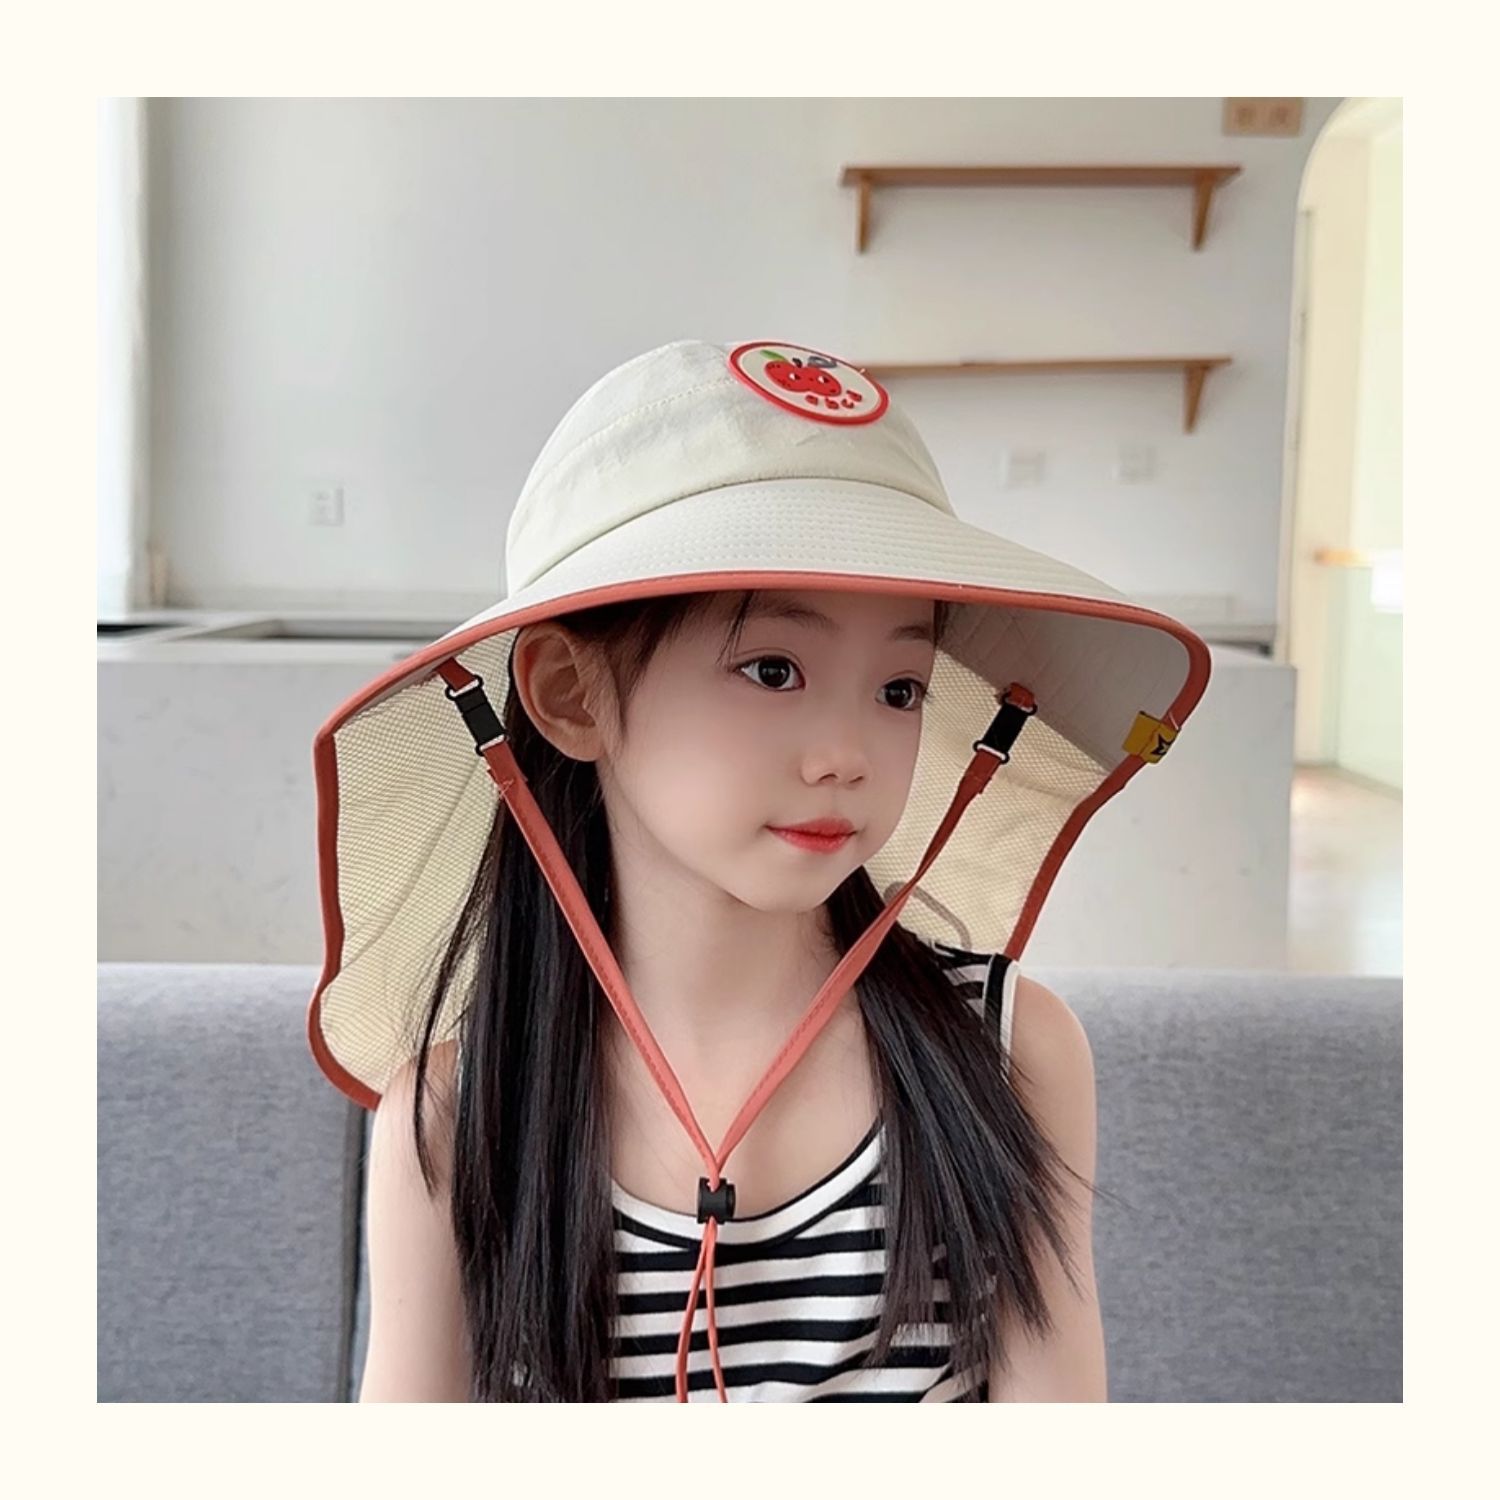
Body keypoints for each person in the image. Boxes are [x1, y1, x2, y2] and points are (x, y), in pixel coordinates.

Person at [306, 339, 1211, 1402]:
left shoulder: (1009, 1052)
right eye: (773, 669)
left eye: (902, 688)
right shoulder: (458, 1120)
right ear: (569, 694)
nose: (848, 754)